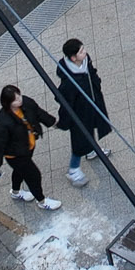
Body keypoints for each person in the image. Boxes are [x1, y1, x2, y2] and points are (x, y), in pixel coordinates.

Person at [0, 84, 63, 209]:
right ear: (8, 103)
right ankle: (42, 201)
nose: (20, 100)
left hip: (27, 146)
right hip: (16, 155)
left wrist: (53, 122)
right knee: (34, 175)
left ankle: (15, 192)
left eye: (19, 96)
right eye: (16, 99)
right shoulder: (1, 123)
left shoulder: (26, 103)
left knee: (20, 172)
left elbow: (39, 113)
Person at [54, 37, 113, 186]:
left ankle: (91, 150)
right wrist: (64, 121)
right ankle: (73, 170)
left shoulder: (85, 61)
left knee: (92, 127)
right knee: (79, 140)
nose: (85, 52)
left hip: (92, 103)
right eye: (81, 51)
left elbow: (92, 73)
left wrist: (97, 83)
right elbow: (63, 100)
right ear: (73, 58)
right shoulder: (69, 82)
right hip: (79, 113)